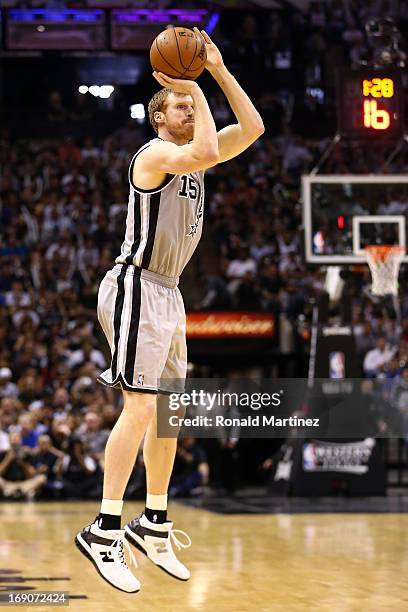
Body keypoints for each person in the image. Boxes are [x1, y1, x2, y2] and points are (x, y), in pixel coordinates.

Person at [75, 28, 264, 593]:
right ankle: (104, 530)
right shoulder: (159, 153)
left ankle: (152, 522)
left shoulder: (194, 154)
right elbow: (206, 149)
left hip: (169, 292)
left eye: (191, 102)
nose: (190, 106)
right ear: (160, 115)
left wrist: (220, 72)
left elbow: (252, 130)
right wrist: (191, 82)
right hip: (136, 285)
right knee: (138, 408)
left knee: (168, 415)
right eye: (181, 103)